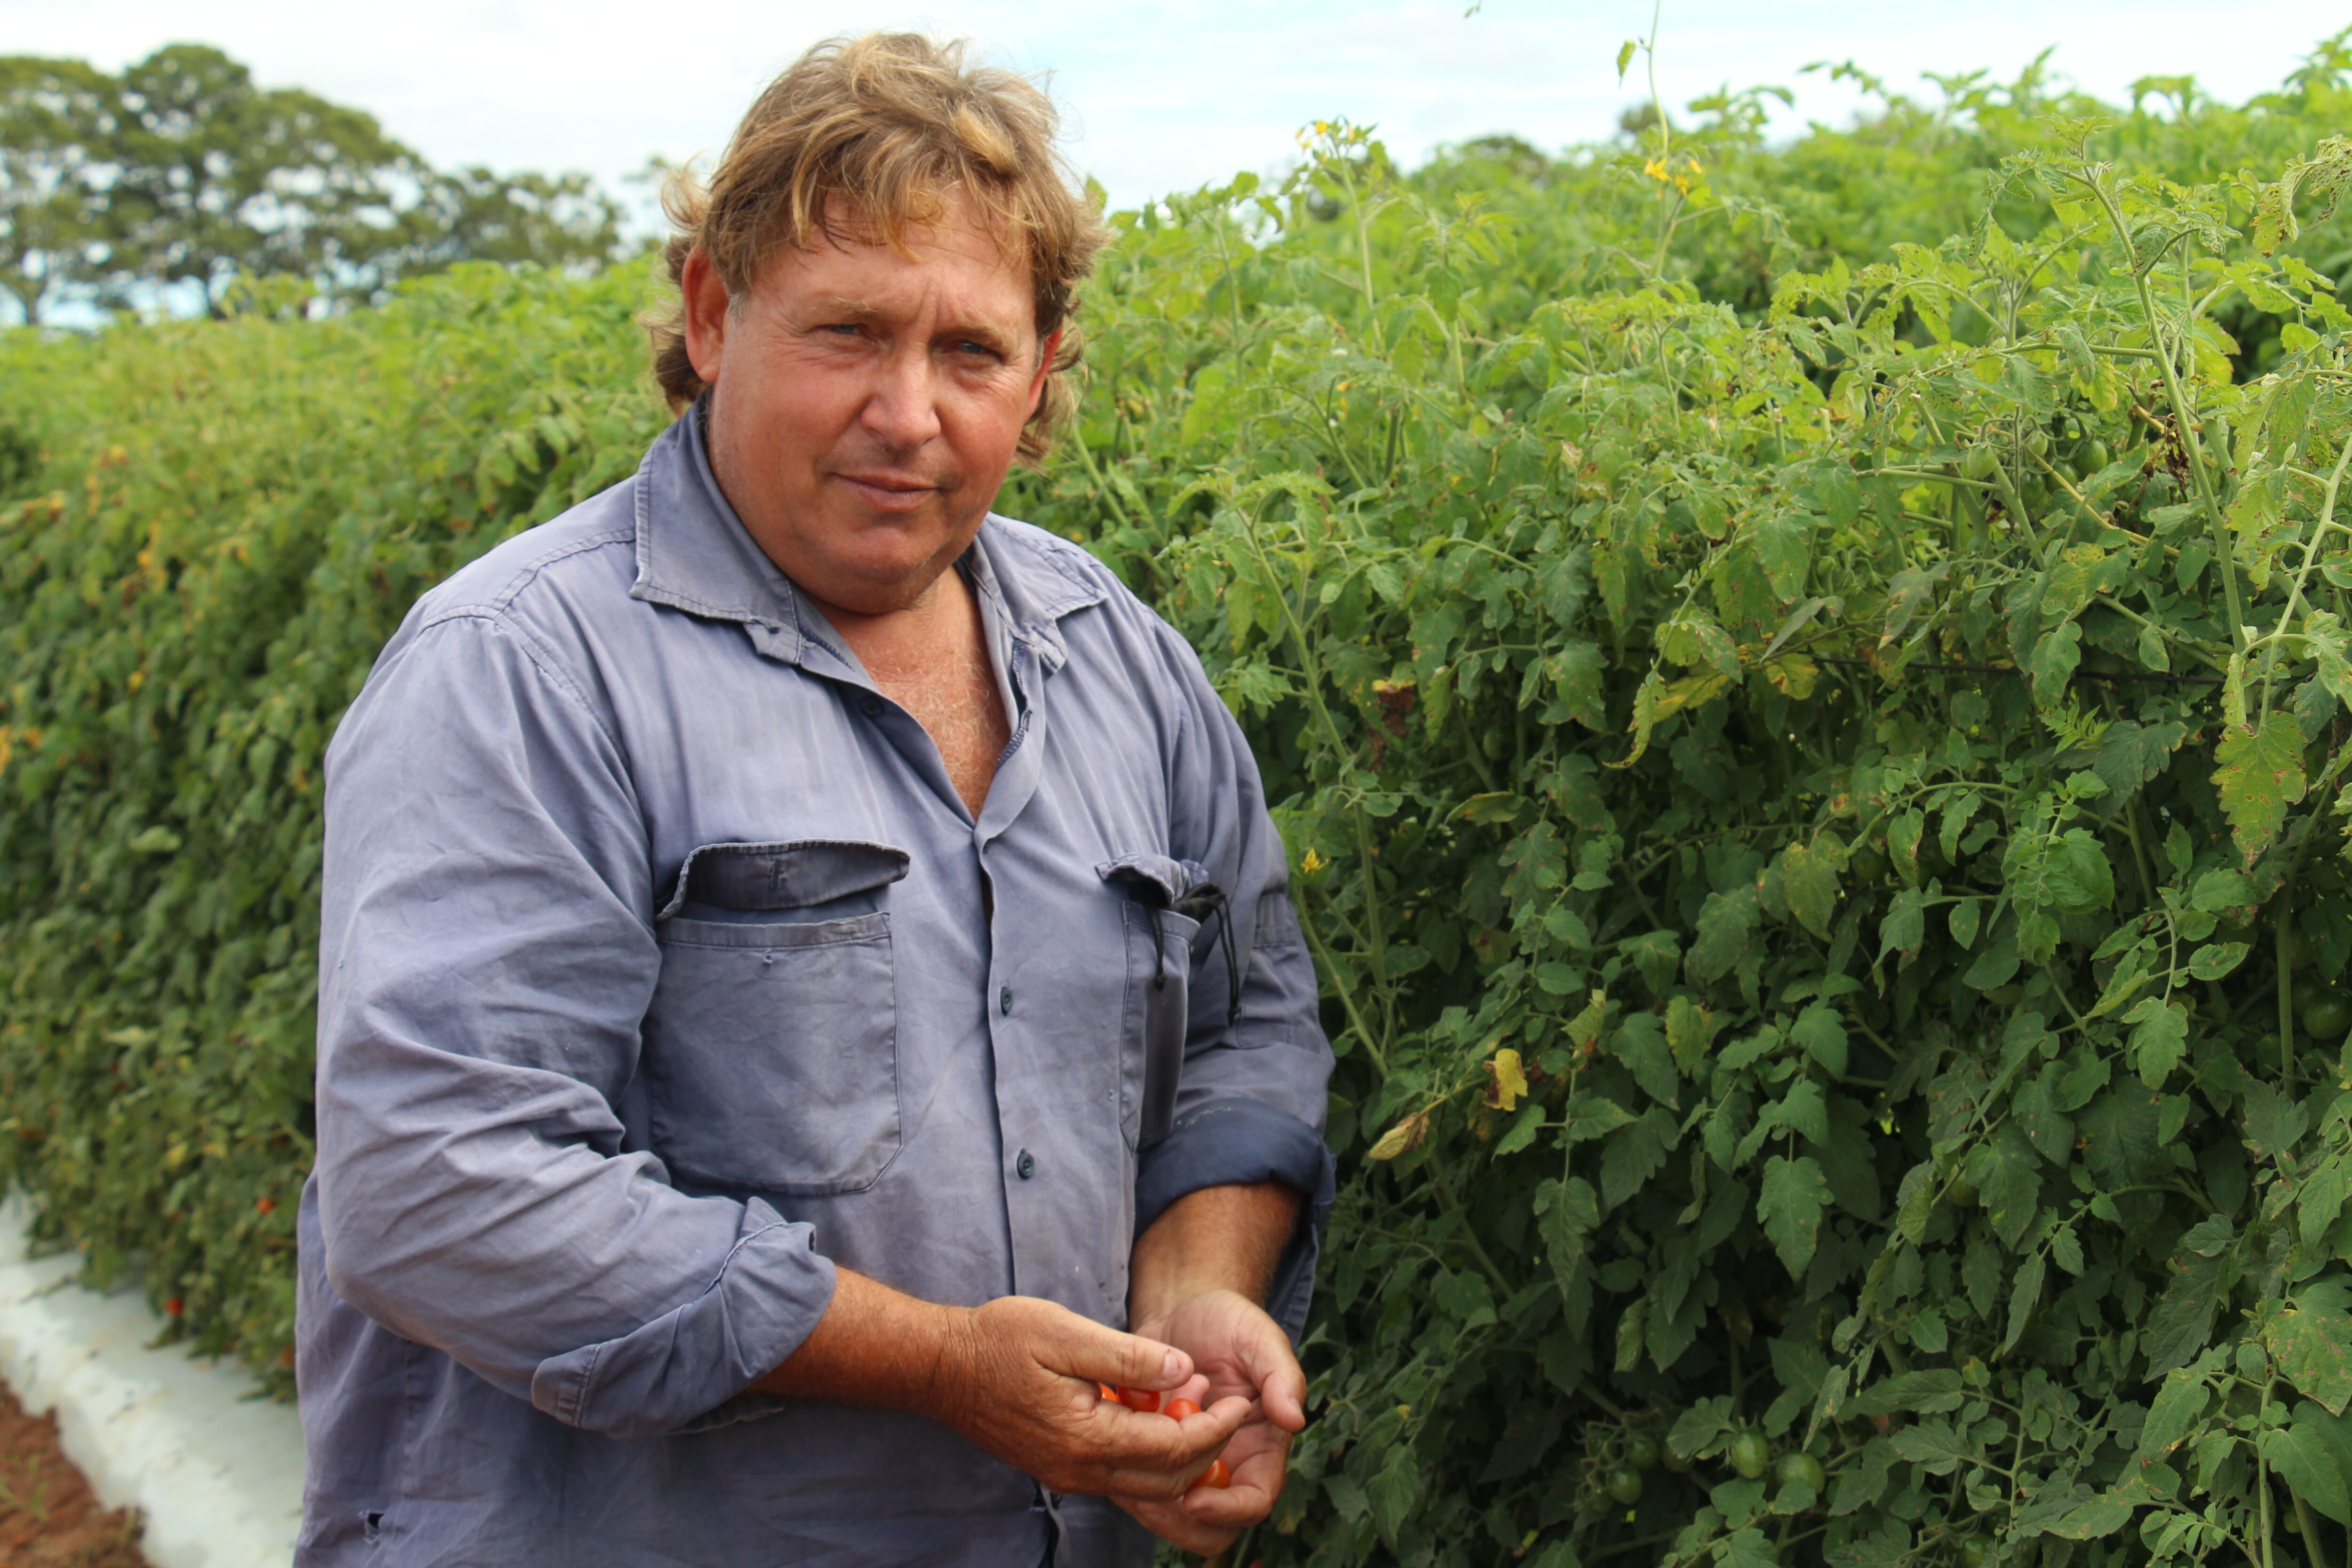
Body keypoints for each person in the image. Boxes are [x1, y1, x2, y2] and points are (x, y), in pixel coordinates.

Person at [294, 30, 1335, 1568]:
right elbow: (441, 1179)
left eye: (971, 352)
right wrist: (938, 1363)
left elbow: (1253, 1019)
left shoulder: (1120, 661)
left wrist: (1199, 1279)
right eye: (849, 331)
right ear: (716, 316)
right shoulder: (524, 672)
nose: (909, 412)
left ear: (1042, 370)